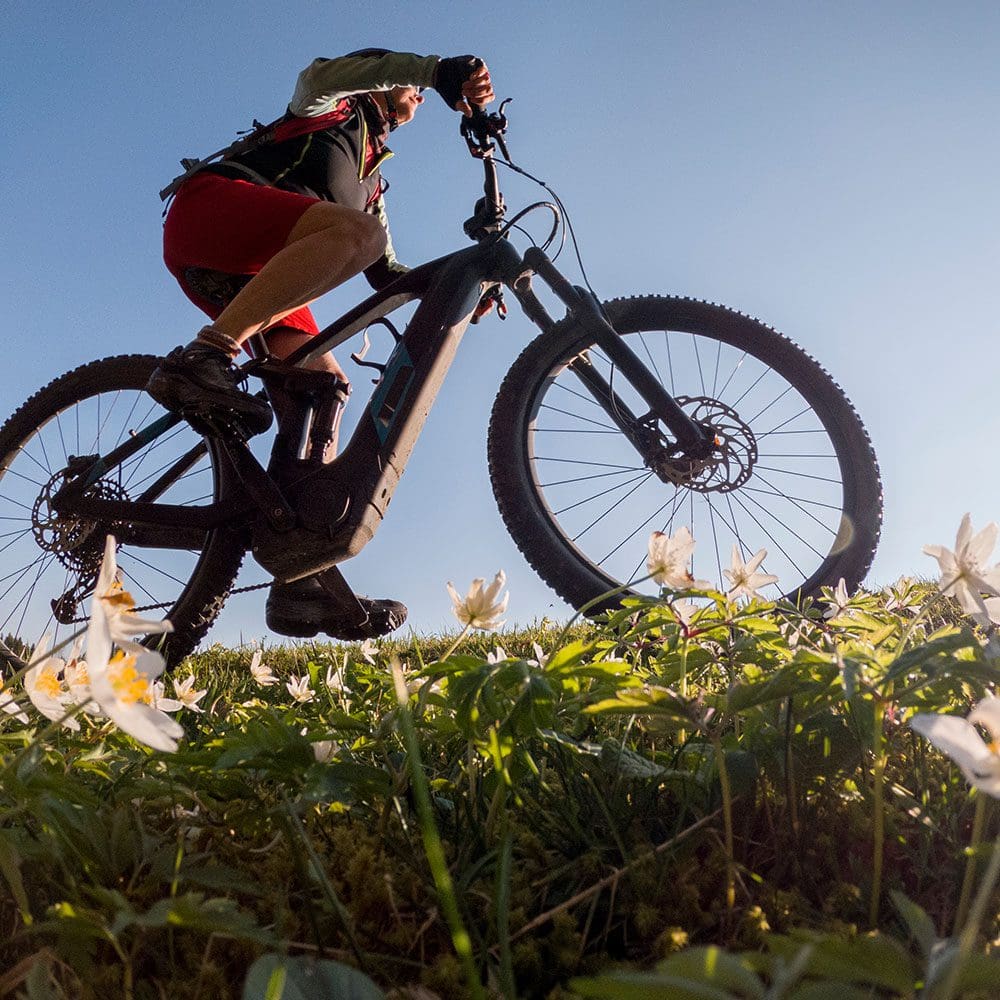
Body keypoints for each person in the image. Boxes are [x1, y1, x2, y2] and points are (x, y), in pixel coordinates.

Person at [147, 48, 495, 640]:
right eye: (408, 87)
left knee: (324, 383)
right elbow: (321, 72)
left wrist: (470, 287)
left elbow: (386, 273)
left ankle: (299, 576)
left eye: (419, 89)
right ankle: (206, 355)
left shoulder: (370, 186)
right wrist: (435, 70)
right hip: (211, 215)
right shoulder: (329, 107)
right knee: (356, 234)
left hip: (254, 278)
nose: (416, 97)